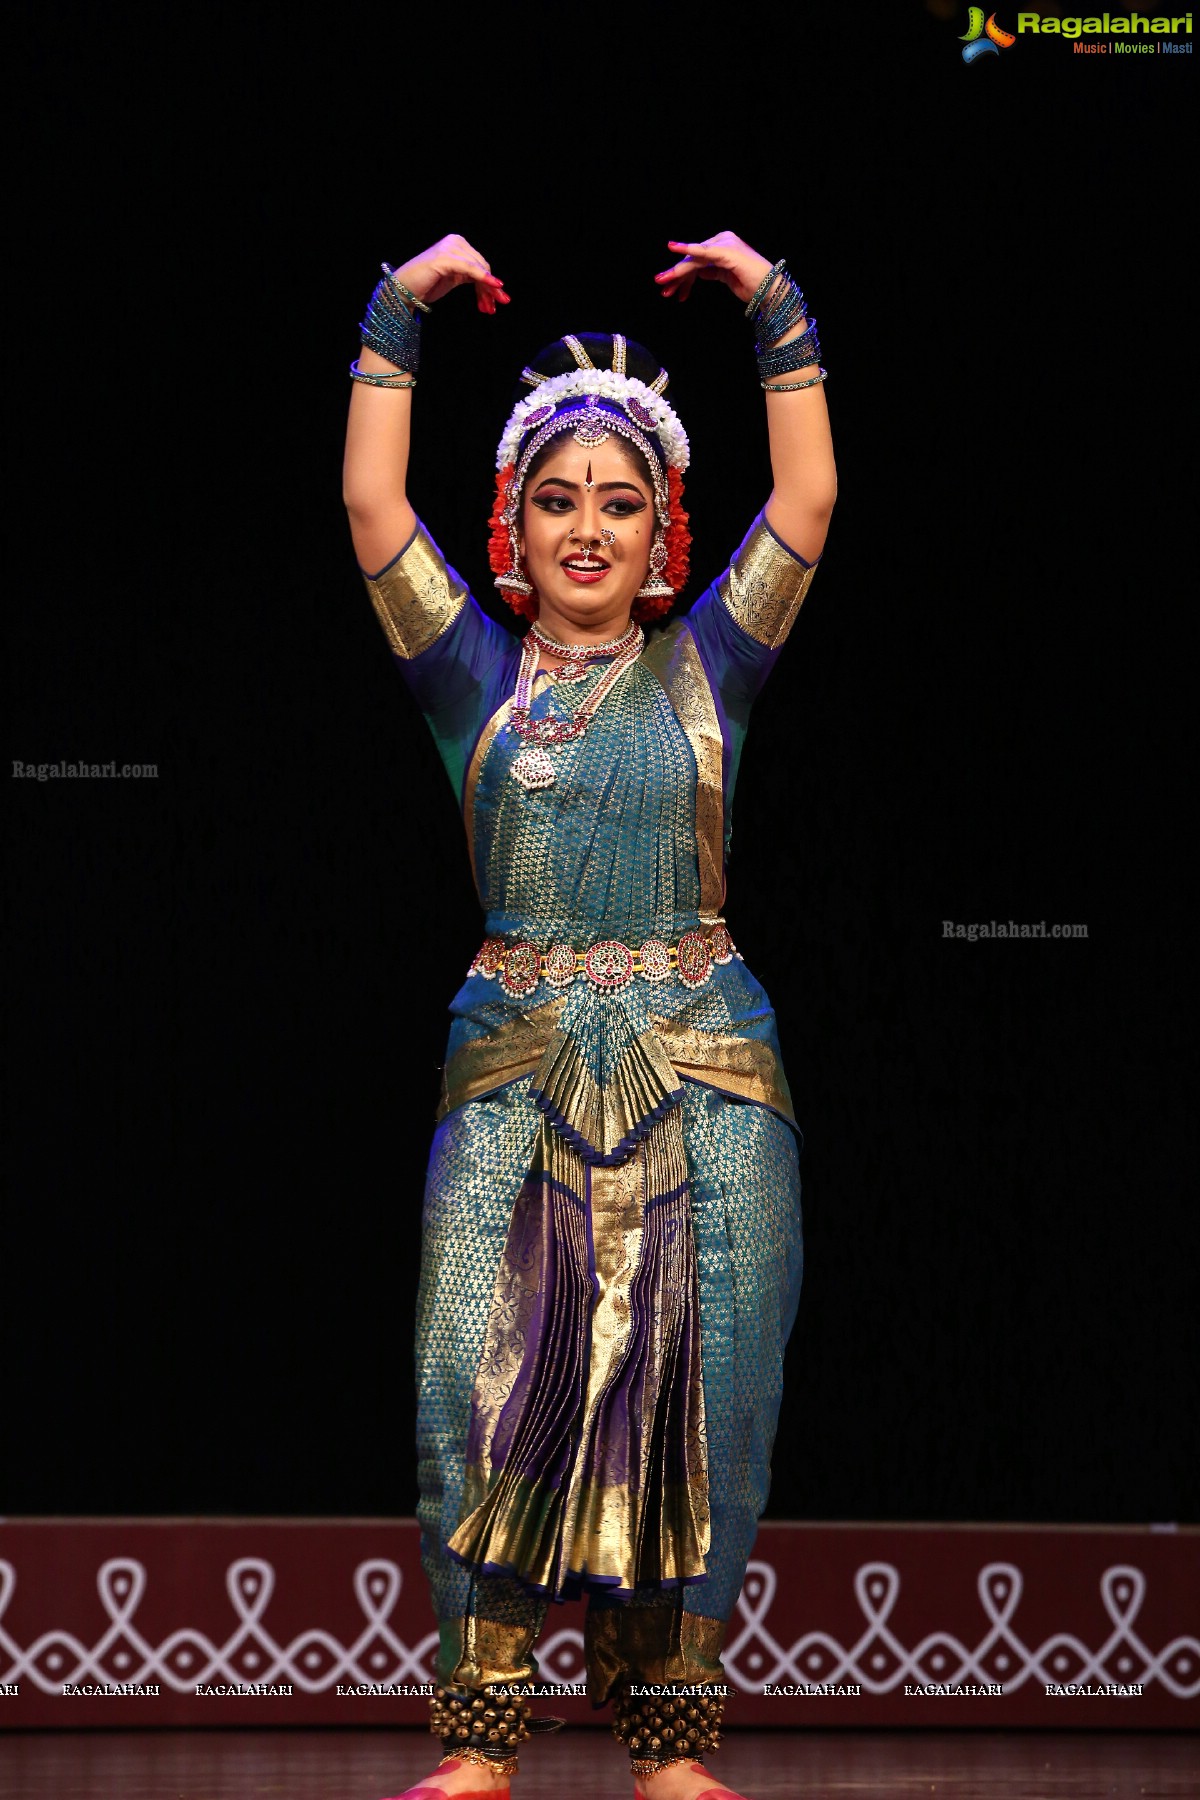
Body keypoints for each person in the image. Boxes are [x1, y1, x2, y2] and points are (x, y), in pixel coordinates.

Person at [342, 231, 837, 1800]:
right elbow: (368, 508)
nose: (586, 526)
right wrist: (395, 309)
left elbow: (811, 505)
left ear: (665, 533)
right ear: (511, 523)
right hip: (515, 1062)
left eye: (619, 501)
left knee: (709, 1389)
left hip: (707, 1067)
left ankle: (673, 1747)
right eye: (557, 498)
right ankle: (479, 1742)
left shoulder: (715, 673)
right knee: (463, 1380)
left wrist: (774, 305)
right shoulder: (471, 679)